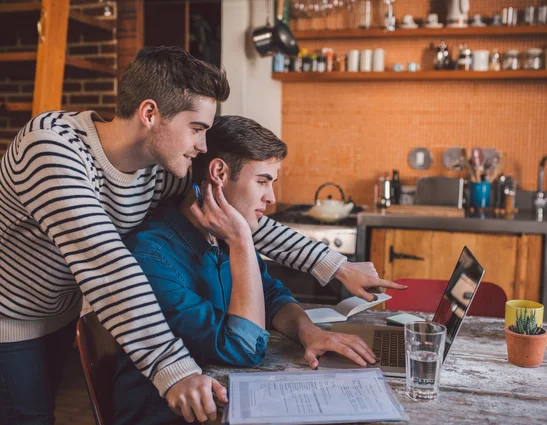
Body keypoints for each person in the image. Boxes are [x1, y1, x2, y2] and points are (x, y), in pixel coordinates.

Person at [0, 46, 405, 425]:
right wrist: (173, 370)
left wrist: (335, 266)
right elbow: (108, 268)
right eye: (196, 128)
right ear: (149, 113)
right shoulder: (52, 150)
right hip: (9, 316)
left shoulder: (158, 170)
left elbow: (233, 219)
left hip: (57, 307)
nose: (204, 145)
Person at [111, 115, 377, 425]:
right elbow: (244, 348)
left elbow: (272, 295)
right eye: (262, 181)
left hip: (224, 401)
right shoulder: (152, 256)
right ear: (220, 173)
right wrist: (241, 241)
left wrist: (311, 333)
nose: (271, 197)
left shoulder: (219, 235)